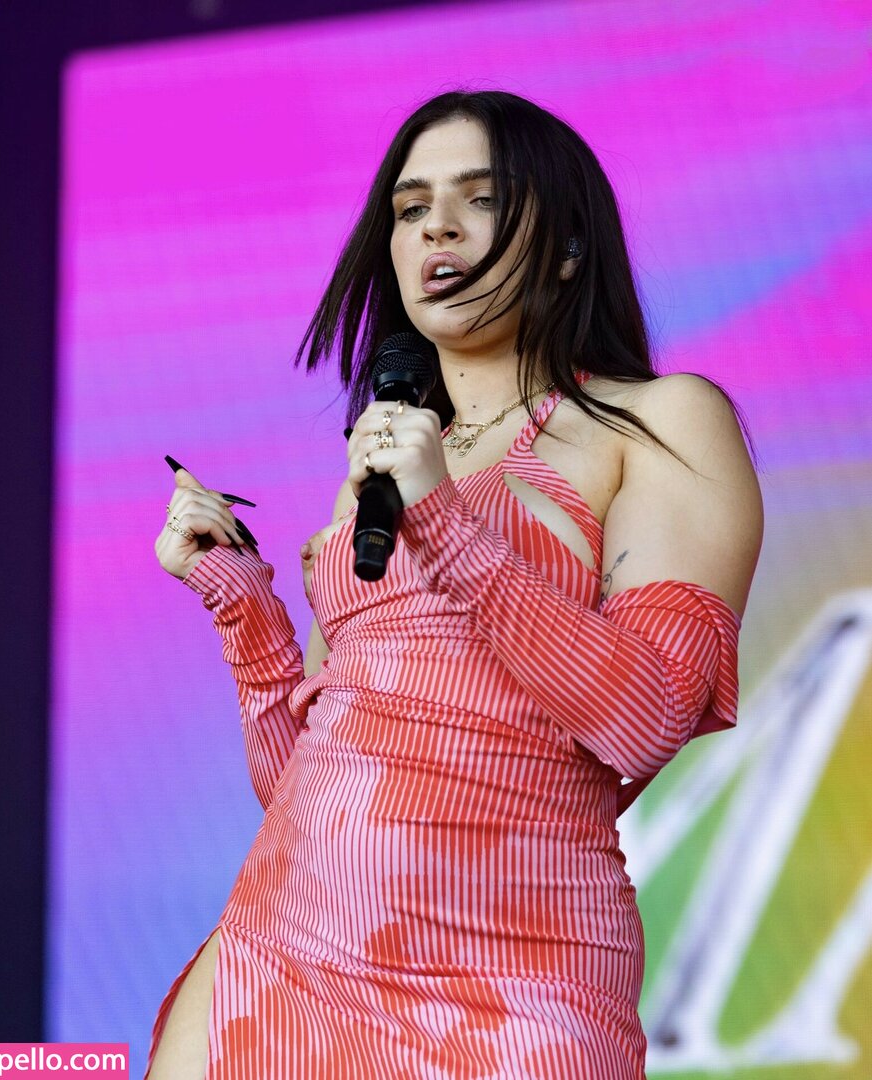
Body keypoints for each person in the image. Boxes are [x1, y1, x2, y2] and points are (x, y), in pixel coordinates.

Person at [147, 90, 762, 1079]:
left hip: (522, 976)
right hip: (282, 962)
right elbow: (305, 779)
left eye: (480, 199)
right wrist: (242, 604)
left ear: (566, 248)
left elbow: (646, 715)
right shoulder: (373, 476)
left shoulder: (659, 421)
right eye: (410, 207)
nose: (436, 226)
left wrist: (443, 517)